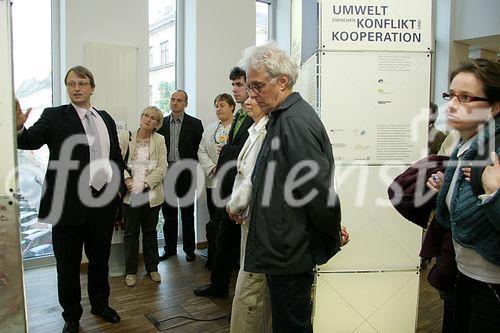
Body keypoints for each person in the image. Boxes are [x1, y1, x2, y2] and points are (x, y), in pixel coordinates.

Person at [239, 43, 342, 332]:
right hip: (283, 246)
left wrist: (330, 231)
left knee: (291, 325)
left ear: (282, 81)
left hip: (290, 250)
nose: (252, 94)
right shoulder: (282, 116)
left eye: (257, 86)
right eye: (249, 87)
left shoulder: (294, 121)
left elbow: (318, 192)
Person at [16, 66, 125, 333]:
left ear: (92, 87)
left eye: (82, 83)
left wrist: (118, 188)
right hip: (66, 207)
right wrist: (19, 127)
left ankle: (100, 305)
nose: (76, 88)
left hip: (102, 205)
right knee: (67, 267)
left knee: (100, 261)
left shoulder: (106, 118)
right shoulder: (54, 116)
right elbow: (29, 141)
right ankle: (72, 316)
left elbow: (116, 157)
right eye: (71, 84)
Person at [427, 58, 500, 332]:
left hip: (491, 284)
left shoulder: (493, 153)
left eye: (466, 97)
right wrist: (448, 186)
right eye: (451, 95)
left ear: (493, 107)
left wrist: (494, 193)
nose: (453, 104)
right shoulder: (464, 145)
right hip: (464, 275)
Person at [193, 67, 254, 298]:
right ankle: (218, 285)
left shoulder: (256, 116)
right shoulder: (240, 115)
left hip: (243, 190)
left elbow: (245, 153)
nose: (235, 89)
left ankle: (240, 293)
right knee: (223, 237)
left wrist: (227, 152)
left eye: (239, 84)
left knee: (238, 241)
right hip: (226, 186)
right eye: (233, 85)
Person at [225, 97, 271, 333]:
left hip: (255, 219)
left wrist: (234, 205)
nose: (247, 100)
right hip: (247, 218)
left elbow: (253, 178)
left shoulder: (265, 133)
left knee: (250, 288)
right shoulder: (254, 130)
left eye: (254, 96)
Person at [119, 106, 167, 287]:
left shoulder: (160, 140)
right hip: (131, 192)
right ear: (141, 117)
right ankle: (130, 271)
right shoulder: (126, 136)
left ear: (157, 124)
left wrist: (145, 183)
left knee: (150, 232)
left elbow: (163, 167)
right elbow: (117, 161)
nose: (148, 119)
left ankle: (152, 268)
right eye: (146, 115)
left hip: (151, 192)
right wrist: (128, 180)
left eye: (153, 118)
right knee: (131, 233)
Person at [157, 90, 203, 262]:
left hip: (186, 174)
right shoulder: (161, 124)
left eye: (179, 100)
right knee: (169, 215)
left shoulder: (195, 124)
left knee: (187, 214)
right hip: (167, 174)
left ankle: (189, 249)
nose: (175, 103)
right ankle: (169, 249)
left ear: (185, 104)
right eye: (173, 100)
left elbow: (200, 150)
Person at [197, 93, 235, 269]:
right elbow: (202, 150)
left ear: (232, 107)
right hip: (213, 181)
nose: (218, 109)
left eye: (222, 105)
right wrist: (212, 168)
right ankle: (214, 257)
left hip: (232, 182)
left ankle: (231, 259)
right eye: (216, 106)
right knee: (215, 220)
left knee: (230, 221)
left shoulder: (239, 127)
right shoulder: (211, 128)